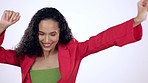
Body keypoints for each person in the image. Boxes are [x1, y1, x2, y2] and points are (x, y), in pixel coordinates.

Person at [0, 0, 147, 83]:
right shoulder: (25, 56)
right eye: (41, 34)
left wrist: (137, 19)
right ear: (35, 34)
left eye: (52, 34)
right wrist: (2, 26)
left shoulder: (74, 52)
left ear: (60, 32)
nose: (46, 40)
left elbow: (104, 39)